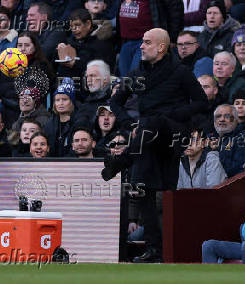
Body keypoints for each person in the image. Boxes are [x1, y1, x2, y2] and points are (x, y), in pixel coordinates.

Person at [102, 28, 207, 262]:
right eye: (141, 42)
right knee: (142, 187)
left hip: (174, 133)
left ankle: (123, 158)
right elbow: (115, 103)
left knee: (156, 120)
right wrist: (130, 124)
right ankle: (153, 249)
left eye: (147, 42)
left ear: (161, 47)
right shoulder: (135, 73)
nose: (141, 46)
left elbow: (201, 102)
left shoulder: (181, 72)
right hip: (146, 139)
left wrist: (175, 113)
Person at [117, 0, 184, 76]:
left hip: (147, 42)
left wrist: (172, 38)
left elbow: (175, 13)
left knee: (137, 76)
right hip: (126, 41)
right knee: (125, 77)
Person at [55, 8, 115, 80]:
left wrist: (75, 63)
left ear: (88, 24)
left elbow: (98, 69)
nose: (73, 29)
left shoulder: (102, 43)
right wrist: (60, 52)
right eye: (71, 26)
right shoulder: (71, 41)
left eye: (77, 25)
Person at [44, 77, 76, 157]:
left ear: (72, 102)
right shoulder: (49, 124)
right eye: (57, 100)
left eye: (64, 99)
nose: (60, 103)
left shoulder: (78, 122)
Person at [75, 59, 112, 128]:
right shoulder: (87, 103)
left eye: (93, 76)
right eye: (87, 76)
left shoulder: (115, 100)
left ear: (105, 79)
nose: (88, 80)